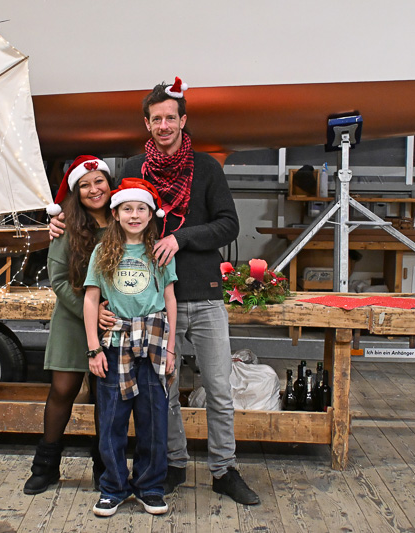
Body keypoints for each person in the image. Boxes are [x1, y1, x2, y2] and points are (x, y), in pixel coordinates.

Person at [52, 78, 259, 505]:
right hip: (150, 308)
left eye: (170, 118)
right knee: (164, 393)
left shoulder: (206, 168)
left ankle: (224, 469)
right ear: (147, 124)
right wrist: (61, 221)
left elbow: (229, 224)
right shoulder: (134, 167)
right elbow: (101, 206)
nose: (164, 125)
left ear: (182, 120)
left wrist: (180, 239)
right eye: (156, 119)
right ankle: (173, 464)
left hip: (202, 294)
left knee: (219, 389)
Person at [83, 178, 177, 517]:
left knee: (154, 420)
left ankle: (150, 487)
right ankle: (113, 487)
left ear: (151, 215)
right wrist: (94, 349)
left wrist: (170, 348)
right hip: (115, 343)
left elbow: (170, 299)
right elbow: (91, 300)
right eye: (127, 209)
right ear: (116, 213)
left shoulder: (159, 252)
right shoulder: (102, 252)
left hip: (153, 343)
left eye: (141, 209)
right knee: (111, 420)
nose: (134, 215)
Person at [23, 155, 112, 495]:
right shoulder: (66, 227)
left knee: (106, 397)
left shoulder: (123, 220)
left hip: (112, 320)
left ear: (109, 183)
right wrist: (89, 312)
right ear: (76, 192)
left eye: (99, 181)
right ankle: (45, 466)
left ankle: (105, 467)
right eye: (85, 185)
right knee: (62, 390)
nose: (93, 189)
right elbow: (58, 279)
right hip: (73, 318)